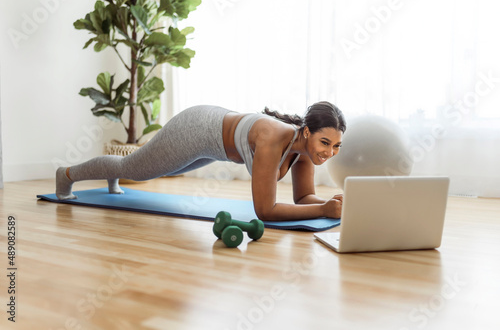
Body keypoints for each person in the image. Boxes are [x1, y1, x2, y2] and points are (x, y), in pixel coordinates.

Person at [56, 101, 346, 221]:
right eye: (324, 143)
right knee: (134, 169)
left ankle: (113, 176)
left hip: (213, 146)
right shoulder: (274, 139)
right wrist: (323, 211)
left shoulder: (305, 150)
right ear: (307, 132)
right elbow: (265, 210)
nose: (329, 152)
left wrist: (332, 205)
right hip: (197, 130)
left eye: (336, 146)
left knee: (136, 167)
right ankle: (66, 174)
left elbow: (305, 196)